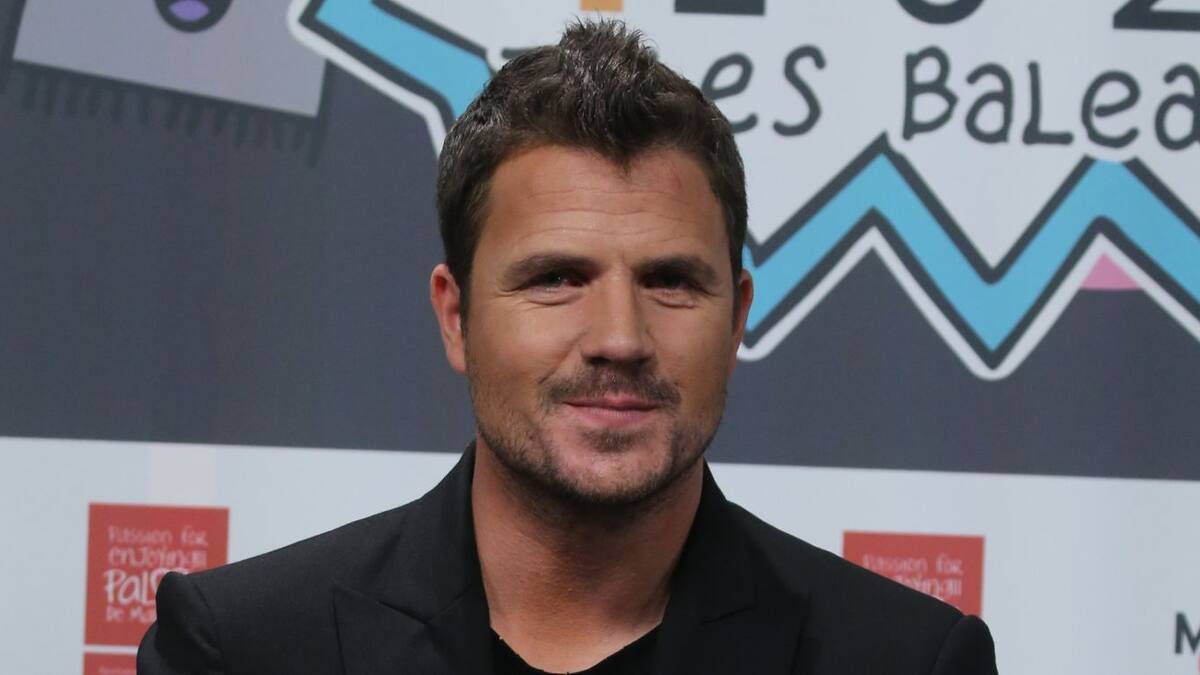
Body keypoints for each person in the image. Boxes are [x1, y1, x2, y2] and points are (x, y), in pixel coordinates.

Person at [138, 19, 998, 675]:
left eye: (671, 280)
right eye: (555, 278)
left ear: (736, 318)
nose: (620, 338)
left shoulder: (906, 660)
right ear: (456, 317)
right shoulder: (243, 648)